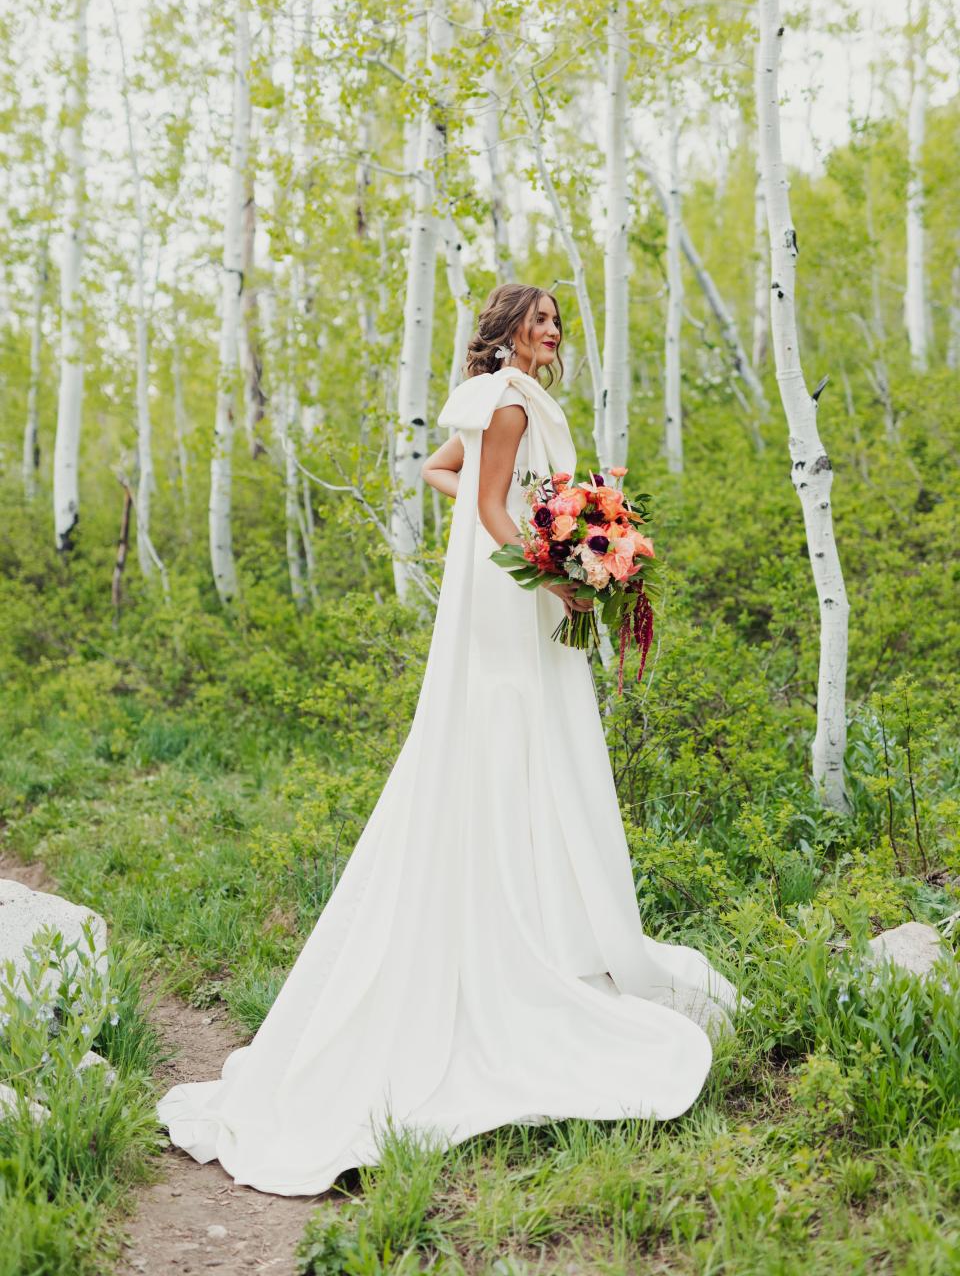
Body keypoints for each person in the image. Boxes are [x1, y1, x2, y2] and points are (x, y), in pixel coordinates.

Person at [156, 282, 745, 1197]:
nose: (552, 333)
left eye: (556, 322)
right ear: (508, 332)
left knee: (518, 746)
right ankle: (531, 938)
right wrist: (551, 568)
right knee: (517, 744)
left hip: (503, 594)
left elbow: (448, 475)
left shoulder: (497, 402)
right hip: (512, 605)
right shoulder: (506, 400)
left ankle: (551, 919)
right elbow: (487, 505)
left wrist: (560, 532)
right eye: (538, 321)